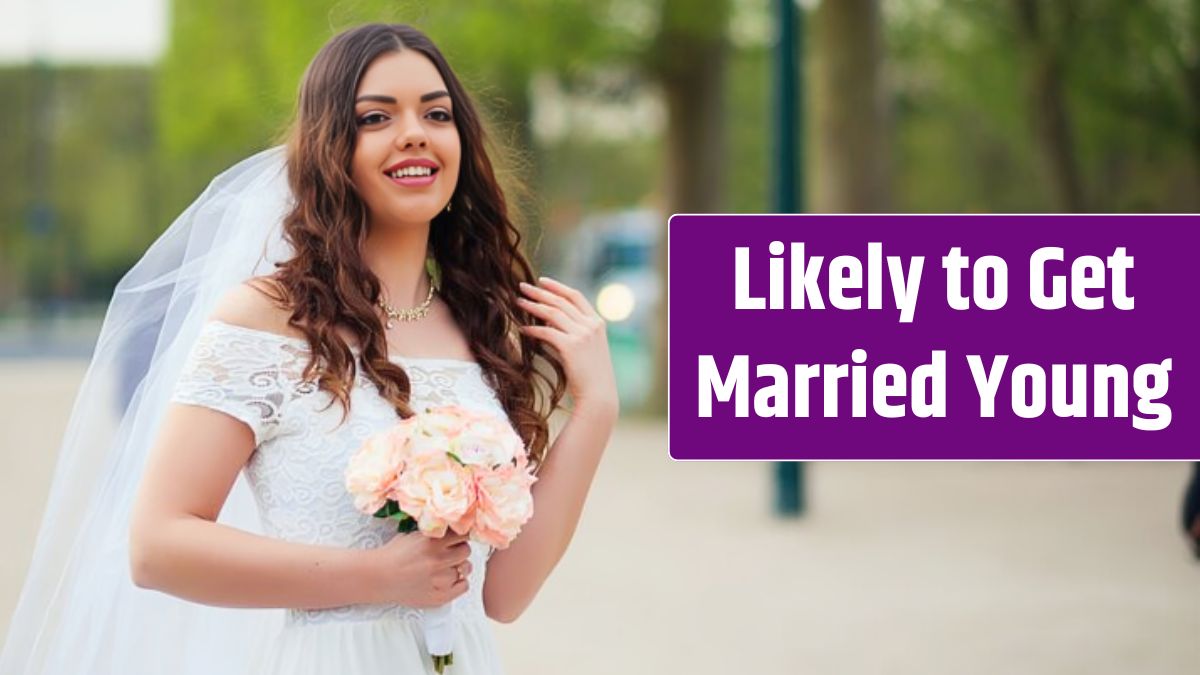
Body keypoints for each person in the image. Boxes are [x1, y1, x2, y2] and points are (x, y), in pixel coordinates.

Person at [0, 23, 618, 675]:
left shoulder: (480, 326)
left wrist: (596, 408)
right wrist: (377, 574)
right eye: (376, 117)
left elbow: (504, 594)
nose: (414, 131)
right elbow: (157, 545)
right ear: (331, 148)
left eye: (436, 113)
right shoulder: (267, 317)